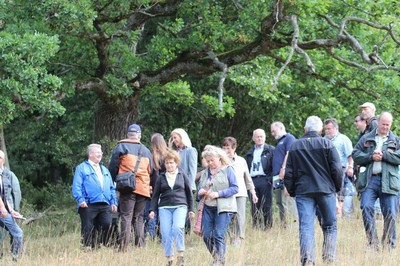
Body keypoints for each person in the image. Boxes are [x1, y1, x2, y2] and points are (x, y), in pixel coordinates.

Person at [284, 116, 343, 266]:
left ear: (305, 129)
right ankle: (329, 258)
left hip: (303, 191)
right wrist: (336, 188)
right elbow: (336, 169)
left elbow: (289, 173)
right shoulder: (327, 143)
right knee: (330, 225)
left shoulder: (295, 146)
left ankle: (308, 260)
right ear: (320, 130)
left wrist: (291, 191)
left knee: (306, 226)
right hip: (325, 190)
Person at [352, 112, 400, 250]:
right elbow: (355, 154)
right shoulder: (366, 138)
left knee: (390, 212)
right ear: (378, 122)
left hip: (389, 180)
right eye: (383, 124)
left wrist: (385, 156)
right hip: (370, 180)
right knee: (366, 207)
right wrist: (370, 157)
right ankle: (373, 243)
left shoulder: (396, 140)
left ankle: (389, 245)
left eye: (388, 124)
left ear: (390, 124)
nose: (385, 127)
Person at [108, 124, 153, 251]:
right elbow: (151, 170)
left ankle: (123, 248)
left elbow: (113, 167)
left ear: (128, 134)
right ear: (139, 135)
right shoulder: (146, 150)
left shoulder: (121, 146)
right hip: (143, 187)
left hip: (127, 187)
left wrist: (112, 182)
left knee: (126, 216)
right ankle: (140, 246)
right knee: (139, 217)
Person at [149, 149, 194, 266]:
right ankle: (169, 258)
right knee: (165, 232)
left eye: (171, 162)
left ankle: (180, 254)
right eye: (167, 163)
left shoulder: (182, 175)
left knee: (178, 228)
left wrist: (191, 210)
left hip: (180, 205)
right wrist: (152, 210)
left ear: (176, 163)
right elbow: (155, 196)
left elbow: (189, 194)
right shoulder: (161, 177)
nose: (169, 165)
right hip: (164, 207)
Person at [198, 145, 238, 266]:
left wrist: (218, 194)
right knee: (206, 235)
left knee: (219, 234)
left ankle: (219, 261)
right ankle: (217, 257)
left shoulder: (228, 170)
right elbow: (200, 188)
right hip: (208, 207)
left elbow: (235, 188)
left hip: (224, 208)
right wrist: (200, 192)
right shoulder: (205, 172)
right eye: (208, 161)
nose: (210, 163)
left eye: (212, 160)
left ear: (219, 158)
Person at [72, 144, 118, 249]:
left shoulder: (105, 170)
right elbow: (76, 186)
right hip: (88, 204)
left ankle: (102, 246)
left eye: (101, 152)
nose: (100, 154)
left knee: (107, 224)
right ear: (90, 154)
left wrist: (113, 202)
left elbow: (111, 188)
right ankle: (87, 250)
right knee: (87, 229)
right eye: (98, 152)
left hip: (104, 203)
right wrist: (80, 200)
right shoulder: (81, 168)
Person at [221, 137, 258, 248]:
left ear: (234, 148)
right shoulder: (220, 161)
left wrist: (253, 192)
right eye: (224, 148)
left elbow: (248, 178)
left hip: (240, 193)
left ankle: (239, 239)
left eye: (228, 148)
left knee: (240, 217)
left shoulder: (241, 161)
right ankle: (230, 238)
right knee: (228, 216)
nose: (226, 151)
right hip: (226, 193)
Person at [324, 118, 355, 218]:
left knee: (340, 194)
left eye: (329, 129)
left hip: (340, 170)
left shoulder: (343, 139)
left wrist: (350, 167)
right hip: (326, 171)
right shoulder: (323, 140)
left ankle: (341, 216)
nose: (327, 131)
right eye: (326, 129)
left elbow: (350, 155)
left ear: (336, 128)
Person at [169, 128, 198, 234]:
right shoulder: (175, 152)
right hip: (175, 185)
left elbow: (192, 171)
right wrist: (170, 147)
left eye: (175, 137)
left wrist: (189, 186)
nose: (173, 140)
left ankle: (186, 233)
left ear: (182, 137)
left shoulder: (191, 150)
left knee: (185, 210)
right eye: (172, 138)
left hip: (187, 186)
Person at [245, 129, 274, 230]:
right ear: (253, 138)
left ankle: (268, 228)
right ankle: (256, 228)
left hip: (265, 180)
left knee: (267, 205)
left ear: (265, 137)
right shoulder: (249, 152)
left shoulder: (270, 150)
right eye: (257, 136)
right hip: (253, 180)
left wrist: (271, 179)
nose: (259, 138)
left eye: (261, 136)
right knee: (254, 206)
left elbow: (275, 165)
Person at [270, 122, 297, 227]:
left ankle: (292, 225)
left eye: (274, 130)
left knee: (288, 201)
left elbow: (289, 153)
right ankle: (284, 225)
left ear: (281, 127)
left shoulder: (289, 138)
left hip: (285, 175)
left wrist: (284, 168)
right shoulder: (279, 142)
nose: (272, 133)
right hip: (277, 177)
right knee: (280, 202)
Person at [144, 133, 168, 241]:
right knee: (163, 214)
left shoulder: (150, 156)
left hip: (151, 189)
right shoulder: (167, 156)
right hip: (164, 189)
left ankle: (151, 235)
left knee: (151, 212)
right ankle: (162, 236)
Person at [0, 151, 23, 261]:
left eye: (0, 158)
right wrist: (3, 208)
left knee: (16, 233)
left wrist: (13, 210)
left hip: (5, 210)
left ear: (3, 160)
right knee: (17, 233)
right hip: (1, 211)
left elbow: (11, 193)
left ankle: (15, 257)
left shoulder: (7, 175)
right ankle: (15, 257)